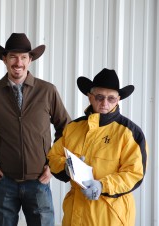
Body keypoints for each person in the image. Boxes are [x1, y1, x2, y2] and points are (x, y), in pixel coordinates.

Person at [0, 33, 71, 226]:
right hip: (4, 182)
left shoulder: (47, 91)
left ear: (30, 60)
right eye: (13, 56)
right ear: (4, 59)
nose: (18, 62)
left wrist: (55, 166)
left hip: (40, 181)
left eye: (23, 57)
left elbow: (67, 131)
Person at [47, 68, 148, 226]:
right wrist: (66, 167)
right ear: (90, 97)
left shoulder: (129, 133)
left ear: (118, 99)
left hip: (111, 217)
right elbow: (53, 157)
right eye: (99, 97)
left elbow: (134, 174)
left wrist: (102, 185)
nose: (105, 103)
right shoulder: (73, 128)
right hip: (74, 216)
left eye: (111, 98)